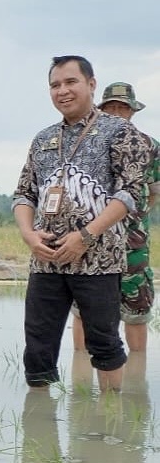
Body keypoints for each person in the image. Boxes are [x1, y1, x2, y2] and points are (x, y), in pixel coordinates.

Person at [12, 56, 151, 391]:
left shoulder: (120, 132)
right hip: (46, 261)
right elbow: (23, 194)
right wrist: (29, 236)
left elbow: (130, 192)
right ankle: (39, 427)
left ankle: (110, 425)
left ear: (90, 84)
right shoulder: (43, 139)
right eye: (55, 85)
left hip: (98, 261)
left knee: (103, 343)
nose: (63, 91)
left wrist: (86, 236)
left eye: (71, 82)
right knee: (38, 347)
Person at [71, 82, 160, 352]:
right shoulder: (85, 144)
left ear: (132, 111)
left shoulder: (149, 146)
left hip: (133, 243)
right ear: (101, 110)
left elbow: (155, 192)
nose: (117, 112)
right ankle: (82, 372)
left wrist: (136, 215)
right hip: (92, 241)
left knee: (136, 307)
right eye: (111, 108)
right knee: (84, 309)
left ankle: (136, 375)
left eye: (123, 108)